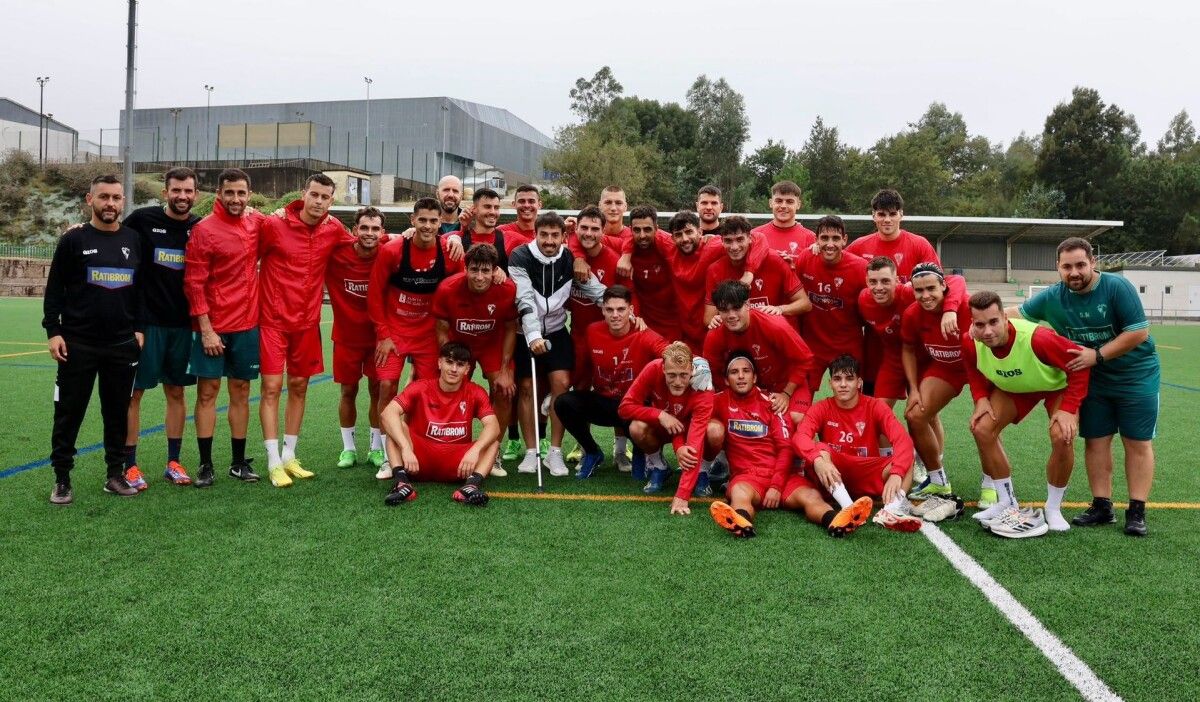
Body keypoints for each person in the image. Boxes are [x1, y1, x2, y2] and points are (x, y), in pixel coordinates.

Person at [1007, 237, 1160, 536]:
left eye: (1080, 265)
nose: (1074, 272)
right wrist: (977, 318)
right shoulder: (1053, 297)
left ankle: (1137, 510)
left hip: (1136, 376)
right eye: (1067, 267)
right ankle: (1102, 506)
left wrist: (1097, 355)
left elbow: (1139, 332)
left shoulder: (1117, 288)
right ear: (1058, 268)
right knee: (1096, 441)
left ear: (1093, 263)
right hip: (1094, 379)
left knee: (1137, 442)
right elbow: (1016, 314)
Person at [44, 175, 144, 504]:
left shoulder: (133, 238)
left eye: (116, 198)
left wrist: (139, 329)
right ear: (91, 200)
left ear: (123, 202)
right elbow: (54, 289)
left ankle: (114, 474)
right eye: (104, 197)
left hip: (121, 346)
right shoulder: (73, 240)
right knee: (68, 412)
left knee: (116, 412)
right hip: (78, 344)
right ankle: (62, 478)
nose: (110, 204)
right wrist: (53, 331)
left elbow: (141, 291)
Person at [964, 291, 1090, 538]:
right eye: (979, 324)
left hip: (1056, 386)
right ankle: (1007, 501)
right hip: (1016, 387)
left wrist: (1068, 409)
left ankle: (1053, 508)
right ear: (972, 323)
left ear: (1004, 317)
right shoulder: (971, 340)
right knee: (982, 428)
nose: (987, 331)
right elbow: (973, 369)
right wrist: (980, 399)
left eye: (993, 322)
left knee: (1062, 435)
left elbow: (1080, 366)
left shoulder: (1038, 339)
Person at [256, 174, 352, 487]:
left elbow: (362, 246)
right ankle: (272, 461)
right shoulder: (274, 224)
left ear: (332, 201)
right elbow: (245, 249)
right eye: (314, 195)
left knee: (299, 386)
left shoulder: (333, 228)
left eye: (325, 197)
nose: (319, 201)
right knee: (271, 388)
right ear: (303, 194)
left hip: (308, 323)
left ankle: (289, 455)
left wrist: (401, 236)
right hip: (273, 320)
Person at [369, 197, 465, 477]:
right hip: (395, 332)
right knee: (387, 385)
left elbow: (459, 289)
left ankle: (412, 447)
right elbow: (375, 295)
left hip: (428, 335)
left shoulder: (450, 251)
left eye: (434, 221)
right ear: (412, 221)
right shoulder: (393, 250)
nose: (427, 225)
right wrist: (384, 335)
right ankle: (389, 453)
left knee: (423, 394)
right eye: (422, 220)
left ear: (440, 223)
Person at [183, 168, 265, 487]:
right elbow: (193, 283)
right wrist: (206, 329)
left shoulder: (256, 222)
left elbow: (291, 221)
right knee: (208, 392)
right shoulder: (205, 230)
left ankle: (237, 463)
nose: (235, 199)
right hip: (213, 327)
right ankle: (205, 464)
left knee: (241, 392)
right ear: (219, 193)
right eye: (229, 192)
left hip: (247, 325)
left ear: (249, 194)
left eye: (241, 193)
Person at [120, 167, 200, 489]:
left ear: (196, 195)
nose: (182, 196)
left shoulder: (200, 227)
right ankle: (129, 465)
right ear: (165, 192)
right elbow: (112, 236)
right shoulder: (142, 220)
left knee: (176, 391)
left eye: (188, 191)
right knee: (134, 394)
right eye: (176, 190)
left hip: (183, 326)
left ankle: (174, 462)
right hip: (147, 325)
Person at [509, 212, 606, 476]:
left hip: (555, 330)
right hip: (524, 333)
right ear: (535, 234)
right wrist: (532, 337)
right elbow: (525, 300)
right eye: (544, 235)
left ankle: (554, 452)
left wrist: (624, 312)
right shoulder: (520, 257)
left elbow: (597, 291)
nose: (549, 241)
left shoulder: (570, 260)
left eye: (555, 235)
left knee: (562, 386)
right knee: (527, 388)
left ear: (564, 237)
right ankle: (531, 452)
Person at [788, 356, 922, 536]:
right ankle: (849, 508)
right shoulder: (821, 408)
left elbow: (902, 440)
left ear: (859, 382)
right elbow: (800, 437)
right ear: (830, 383)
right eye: (837, 379)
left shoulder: (875, 406)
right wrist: (818, 460)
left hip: (867, 470)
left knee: (906, 460)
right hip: (835, 474)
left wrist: (896, 473)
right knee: (821, 449)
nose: (843, 384)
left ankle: (891, 510)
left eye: (849, 378)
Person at [559, 285, 666, 482]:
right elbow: (582, 365)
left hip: (634, 405)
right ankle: (592, 452)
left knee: (637, 414)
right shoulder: (592, 331)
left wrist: (696, 365)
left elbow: (670, 352)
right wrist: (559, 389)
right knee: (563, 403)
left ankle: (640, 453)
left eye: (621, 309)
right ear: (602, 310)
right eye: (609, 310)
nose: (615, 315)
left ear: (631, 310)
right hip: (605, 403)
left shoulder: (643, 332)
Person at [379, 343, 500, 507]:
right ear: (439, 363)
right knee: (395, 428)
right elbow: (387, 414)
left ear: (467, 369)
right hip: (418, 460)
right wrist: (406, 448)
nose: (454, 369)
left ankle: (470, 487)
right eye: (449, 362)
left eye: (460, 364)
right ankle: (402, 484)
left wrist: (475, 450)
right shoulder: (420, 387)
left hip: (458, 464)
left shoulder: (476, 391)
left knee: (493, 442)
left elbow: (493, 426)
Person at [432, 243, 518, 475]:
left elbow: (511, 328)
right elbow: (441, 327)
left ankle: (493, 451)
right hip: (460, 345)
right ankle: (451, 447)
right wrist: (449, 360)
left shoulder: (507, 289)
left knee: (504, 390)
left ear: (494, 270)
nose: (479, 277)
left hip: (492, 344)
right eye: (474, 270)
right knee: (450, 387)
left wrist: (505, 368)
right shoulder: (448, 288)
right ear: (466, 268)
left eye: (485, 270)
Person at [900, 262, 970, 519]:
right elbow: (907, 349)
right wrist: (914, 389)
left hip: (979, 367)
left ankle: (992, 485)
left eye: (931, 288)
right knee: (915, 414)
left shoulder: (964, 305)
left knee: (988, 421)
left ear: (944, 286)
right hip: (946, 368)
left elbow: (960, 282)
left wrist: (950, 311)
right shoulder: (912, 314)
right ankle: (938, 479)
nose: (925, 295)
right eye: (919, 290)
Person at [326, 206, 390, 474]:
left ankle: (376, 448)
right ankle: (348, 448)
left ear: (383, 232)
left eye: (375, 228)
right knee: (348, 391)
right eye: (364, 227)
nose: (369, 233)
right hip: (347, 338)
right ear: (354, 230)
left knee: (378, 392)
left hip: (378, 340)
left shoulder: (390, 253)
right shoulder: (336, 254)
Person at [703, 280, 814, 425]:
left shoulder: (774, 325)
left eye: (736, 308)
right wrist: (733, 395)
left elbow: (805, 359)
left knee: (796, 418)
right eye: (724, 310)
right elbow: (711, 371)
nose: (731, 315)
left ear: (748, 304)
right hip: (748, 390)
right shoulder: (715, 333)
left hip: (786, 384)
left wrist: (786, 394)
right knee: (719, 425)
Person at [619, 342, 715, 509]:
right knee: (636, 428)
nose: (678, 381)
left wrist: (682, 495)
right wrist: (660, 414)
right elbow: (624, 408)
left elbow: (695, 442)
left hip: (691, 427)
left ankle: (703, 470)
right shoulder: (653, 368)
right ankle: (659, 466)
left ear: (692, 369)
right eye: (671, 375)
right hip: (664, 425)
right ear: (663, 367)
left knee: (715, 431)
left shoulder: (703, 387)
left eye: (683, 375)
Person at [706, 354, 793, 538]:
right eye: (734, 372)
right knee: (738, 494)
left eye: (746, 371)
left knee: (810, 497)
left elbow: (785, 448)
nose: (740, 376)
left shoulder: (772, 403)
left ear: (754, 377)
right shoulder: (718, 401)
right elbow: (695, 421)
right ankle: (742, 524)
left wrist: (776, 486)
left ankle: (837, 521)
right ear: (726, 380)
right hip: (746, 478)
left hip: (779, 475)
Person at [791, 215, 868, 393]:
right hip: (812, 345)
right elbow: (794, 294)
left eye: (836, 238)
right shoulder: (805, 258)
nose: (830, 244)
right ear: (816, 239)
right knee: (799, 407)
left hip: (847, 345)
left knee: (851, 400)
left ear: (845, 240)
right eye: (824, 238)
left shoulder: (860, 268)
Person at [703, 216, 809, 328]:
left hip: (775, 335)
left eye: (740, 239)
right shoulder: (714, 270)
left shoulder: (776, 260)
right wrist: (718, 319)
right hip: (741, 339)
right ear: (722, 241)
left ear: (750, 238)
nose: (734, 247)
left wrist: (779, 309)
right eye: (728, 241)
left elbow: (805, 304)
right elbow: (708, 319)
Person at [846, 189, 940, 283]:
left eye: (893, 214)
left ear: (901, 214)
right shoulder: (858, 246)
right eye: (882, 214)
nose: (887, 219)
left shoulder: (920, 245)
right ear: (874, 215)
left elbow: (937, 282)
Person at [457, 187, 529, 270]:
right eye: (487, 207)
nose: (493, 212)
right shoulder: (457, 240)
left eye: (496, 207)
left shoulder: (512, 239)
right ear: (474, 209)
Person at [750, 180, 816, 264]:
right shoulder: (754, 235)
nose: (783, 206)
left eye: (789, 202)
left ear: (798, 205)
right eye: (779, 201)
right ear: (771, 203)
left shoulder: (811, 238)